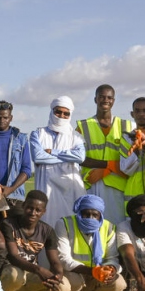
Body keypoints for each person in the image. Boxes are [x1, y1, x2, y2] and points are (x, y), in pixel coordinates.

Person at [52, 194, 126, 291]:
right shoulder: (64, 223)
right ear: (79, 213)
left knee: (119, 283)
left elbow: (112, 258)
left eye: (95, 215)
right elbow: (63, 259)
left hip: (96, 273)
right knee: (74, 281)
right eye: (86, 214)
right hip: (73, 272)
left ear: (100, 215)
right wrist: (92, 271)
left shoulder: (109, 227)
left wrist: (110, 269)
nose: (90, 218)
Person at [0, 191, 71, 291]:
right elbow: (14, 256)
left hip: (30, 274)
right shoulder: (9, 224)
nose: (33, 213)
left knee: (64, 287)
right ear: (23, 206)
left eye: (38, 210)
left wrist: (58, 274)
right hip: (10, 271)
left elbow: (54, 261)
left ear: (44, 212)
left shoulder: (47, 231)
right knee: (14, 274)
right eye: (29, 208)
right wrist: (39, 269)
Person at [77, 84, 132, 224]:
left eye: (109, 97)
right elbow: (79, 158)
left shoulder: (128, 126)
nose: (105, 100)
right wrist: (108, 165)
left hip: (117, 186)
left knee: (116, 226)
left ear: (113, 100)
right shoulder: (83, 126)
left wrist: (107, 170)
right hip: (90, 183)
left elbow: (131, 161)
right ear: (95, 99)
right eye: (101, 97)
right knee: (91, 226)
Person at [30, 96, 86, 228]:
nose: (61, 116)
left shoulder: (76, 136)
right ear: (51, 111)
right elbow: (38, 156)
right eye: (58, 112)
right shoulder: (38, 133)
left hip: (70, 190)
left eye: (66, 114)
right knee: (45, 223)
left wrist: (53, 152)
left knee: (69, 227)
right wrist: (67, 155)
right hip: (46, 186)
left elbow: (80, 157)